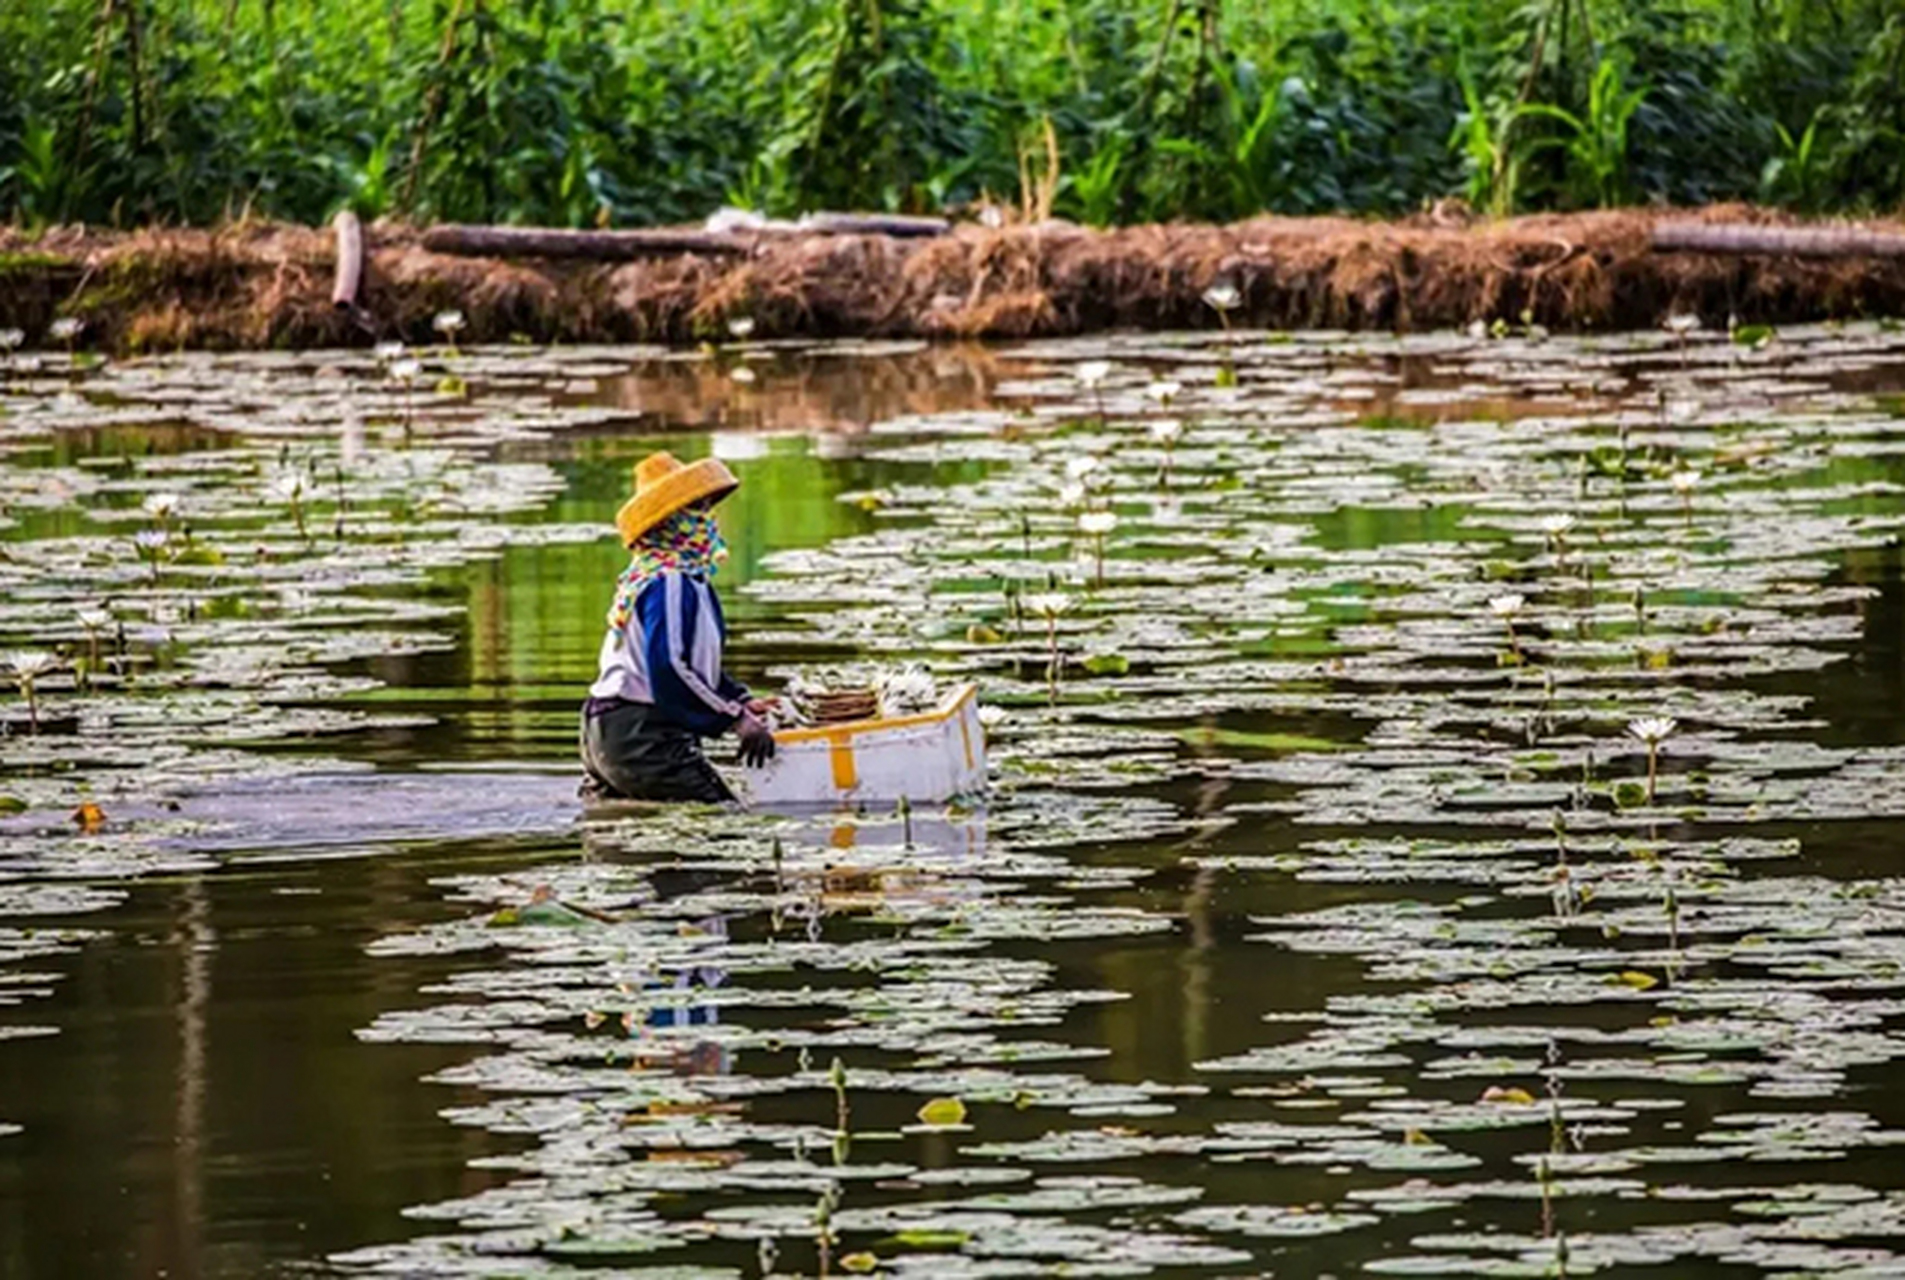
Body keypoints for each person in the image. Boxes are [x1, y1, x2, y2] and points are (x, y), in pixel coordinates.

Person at [580, 451, 777, 802]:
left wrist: (740, 700)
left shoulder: (673, 577)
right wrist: (734, 719)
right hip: (640, 733)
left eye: (704, 508)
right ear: (668, 522)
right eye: (696, 510)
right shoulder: (669, 580)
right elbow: (668, 666)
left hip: (608, 728)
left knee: (621, 837)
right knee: (722, 823)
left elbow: (697, 668)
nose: (707, 521)